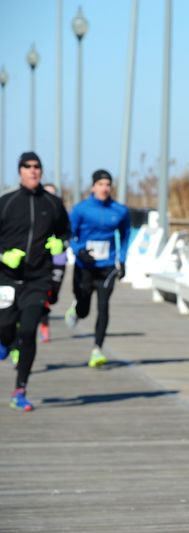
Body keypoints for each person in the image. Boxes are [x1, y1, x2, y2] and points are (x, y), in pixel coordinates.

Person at [0, 152, 71, 412]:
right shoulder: (7, 202)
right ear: (19, 171)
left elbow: (66, 230)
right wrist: (3, 256)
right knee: (5, 325)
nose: (33, 171)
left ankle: (20, 390)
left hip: (37, 278)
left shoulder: (52, 203)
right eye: (27, 167)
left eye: (37, 167)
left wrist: (60, 243)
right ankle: (6, 343)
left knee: (29, 330)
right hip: (6, 276)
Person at [64, 169, 130, 368]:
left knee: (103, 306)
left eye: (108, 184)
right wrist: (78, 250)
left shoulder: (120, 210)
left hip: (107, 266)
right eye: (101, 184)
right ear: (93, 187)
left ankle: (97, 350)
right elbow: (68, 233)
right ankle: (76, 309)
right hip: (85, 266)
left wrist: (122, 259)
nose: (105, 188)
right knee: (84, 308)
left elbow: (125, 235)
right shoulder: (81, 209)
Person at [38, 183, 68, 343]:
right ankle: (44, 326)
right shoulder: (36, 211)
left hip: (58, 260)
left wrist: (61, 243)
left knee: (52, 297)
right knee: (41, 295)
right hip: (40, 262)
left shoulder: (60, 212)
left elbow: (68, 233)